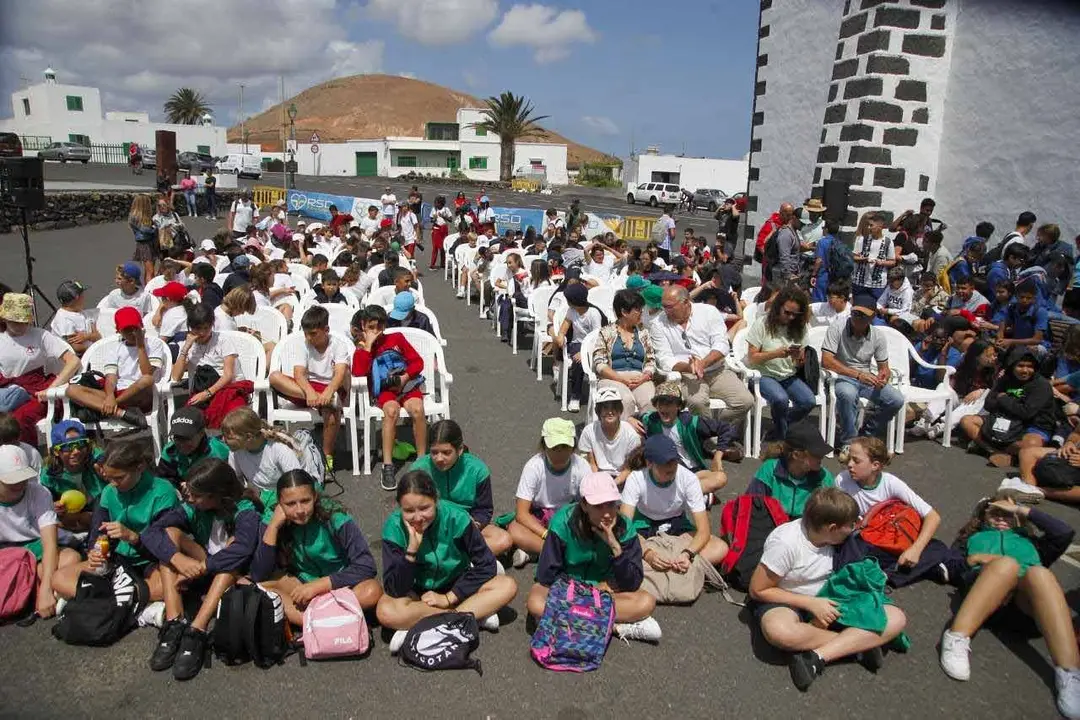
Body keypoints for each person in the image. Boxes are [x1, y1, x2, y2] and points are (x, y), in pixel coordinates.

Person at [749, 487, 907, 691]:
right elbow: (758, 590)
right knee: (779, 631)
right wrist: (811, 603)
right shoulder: (786, 543)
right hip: (789, 599)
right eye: (850, 525)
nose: (854, 527)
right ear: (832, 528)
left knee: (897, 618)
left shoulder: (843, 540)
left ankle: (818, 656)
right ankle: (859, 645)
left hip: (833, 597)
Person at [939, 493, 1080, 719]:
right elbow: (950, 567)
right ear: (983, 515)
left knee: (1040, 573)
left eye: (1008, 513)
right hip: (984, 601)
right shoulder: (971, 538)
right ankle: (957, 636)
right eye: (996, 512)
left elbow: (1064, 532)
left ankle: (1069, 673)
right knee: (1007, 565)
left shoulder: (1033, 542)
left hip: (1026, 609)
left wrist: (1023, 511)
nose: (1002, 517)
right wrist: (973, 560)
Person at [142, 459, 263, 680]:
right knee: (169, 534)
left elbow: (243, 549)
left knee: (232, 548)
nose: (190, 499)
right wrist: (177, 559)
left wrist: (204, 567)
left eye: (197, 496)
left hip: (233, 575)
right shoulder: (193, 507)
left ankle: (197, 629)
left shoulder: (245, 509)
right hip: (204, 565)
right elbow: (150, 533)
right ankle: (174, 621)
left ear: (217, 495)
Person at [377, 470, 518, 654]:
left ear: (436, 500)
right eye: (409, 511)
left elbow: (486, 564)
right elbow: (394, 588)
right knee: (385, 611)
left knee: (507, 585)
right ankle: (468, 616)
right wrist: (411, 552)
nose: (418, 518)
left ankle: (417, 625)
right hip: (416, 592)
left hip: (456, 586)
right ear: (399, 508)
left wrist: (448, 597)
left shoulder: (457, 517)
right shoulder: (393, 527)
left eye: (425, 508)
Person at [51, 440, 180, 623]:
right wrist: (96, 551)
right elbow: (97, 533)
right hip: (117, 562)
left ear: (140, 466)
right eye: (109, 478)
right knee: (59, 578)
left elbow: (167, 545)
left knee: (168, 585)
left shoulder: (162, 491)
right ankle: (138, 609)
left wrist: (134, 538)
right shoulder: (109, 492)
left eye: (119, 478)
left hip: (151, 561)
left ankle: (88, 601)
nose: (113, 484)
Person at [527, 471, 660, 643]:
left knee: (645, 602)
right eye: (598, 506)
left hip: (603, 594)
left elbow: (632, 582)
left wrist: (615, 547)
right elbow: (546, 574)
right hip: (570, 590)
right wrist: (584, 590)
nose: (607, 513)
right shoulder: (562, 522)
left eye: (611, 504)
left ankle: (563, 622)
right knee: (536, 601)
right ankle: (615, 627)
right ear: (584, 505)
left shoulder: (625, 527)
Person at [253, 469, 382, 630]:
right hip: (301, 583)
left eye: (305, 501)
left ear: (314, 497)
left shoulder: (335, 516)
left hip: (341, 585)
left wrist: (318, 586)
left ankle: (313, 623)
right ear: (279, 503)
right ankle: (335, 620)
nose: (299, 510)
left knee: (372, 591)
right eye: (290, 504)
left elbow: (366, 566)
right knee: (261, 587)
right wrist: (273, 527)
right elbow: (259, 574)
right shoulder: (272, 519)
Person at [836, 436, 962, 586]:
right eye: (850, 459)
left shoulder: (890, 483)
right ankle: (922, 569)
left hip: (892, 537)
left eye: (856, 461)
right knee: (852, 547)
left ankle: (885, 574)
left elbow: (932, 516)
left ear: (875, 465)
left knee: (937, 547)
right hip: (865, 539)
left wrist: (915, 550)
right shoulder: (842, 481)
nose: (849, 464)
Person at [619, 435, 729, 567]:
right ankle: (666, 562)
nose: (670, 467)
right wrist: (647, 553)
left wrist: (688, 553)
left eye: (674, 461)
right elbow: (624, 526)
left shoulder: (688, 479)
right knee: (621, 542)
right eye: (664, 463)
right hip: (643, 525)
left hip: (676, 525)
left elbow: (704, 531)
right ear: (649, 463)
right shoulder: (636, 478)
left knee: (720, 548)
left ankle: (670, 562)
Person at [350, 305, 427, 491]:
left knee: (417, 408)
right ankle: (387, 465)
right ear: (363, 326)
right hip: (384, 391)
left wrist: (405, 377)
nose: (376, 331)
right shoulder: (361, 349)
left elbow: (418, 362)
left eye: (379, 326)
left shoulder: (396, 339)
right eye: (371, 327)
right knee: (391, 411)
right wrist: (368, 346)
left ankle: (423, 460)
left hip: (406, 385)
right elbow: (358, 373)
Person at [649, 285, 753, 422]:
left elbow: (722, 344)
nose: (665, 311)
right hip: (686, 375)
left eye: (670, 307)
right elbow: (664, 358)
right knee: (697, 403)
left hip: (717, 370)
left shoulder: (708, 312)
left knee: (745, 401)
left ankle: (713, 428)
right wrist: (689, 367)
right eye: (664, 306)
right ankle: (709, 438)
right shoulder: (658, 323)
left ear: (686, 302)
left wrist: (702, 364)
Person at [409, 420, 512, 558]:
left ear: (460, 449)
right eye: (434, 452)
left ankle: (446, 562)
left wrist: (474, 524)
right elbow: (410, 509)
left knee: (504, 540)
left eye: (446, 452)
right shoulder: (418, 470)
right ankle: (469, 561)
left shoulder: (478, 470)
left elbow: (484, 509)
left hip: (465, 527)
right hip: (430, 526)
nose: (439, 458)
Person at [0, 445, 80, 619]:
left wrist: (45, 589)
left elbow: (49, 543)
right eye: (12, 480)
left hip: (36, 546)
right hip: (7, 553)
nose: (20, 484)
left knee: (71, 559)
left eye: (23, 478)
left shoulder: (38, 492)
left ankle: (34, 590)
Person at [821, 293, 904, 461]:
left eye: (862, 315)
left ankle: (867, 434)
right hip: (842, 375)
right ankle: (849, 442)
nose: (857, 318)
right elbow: (827, 361)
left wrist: (883, 376)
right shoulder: (837, 327)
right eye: (855, 313)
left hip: (866, 377)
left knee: (896, 399)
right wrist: (858, 375)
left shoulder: (878, 336)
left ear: (872, 317)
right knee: (847, 394)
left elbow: (884, 367)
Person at [269, 306, 351, 470]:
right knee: (274, 377)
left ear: (326, 330)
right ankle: (326, 402)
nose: (308, 337)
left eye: (313, 333)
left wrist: (328, 392)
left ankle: (327, 457)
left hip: (331, 386)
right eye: (306, 333)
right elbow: (299, 374)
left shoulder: (339, 345)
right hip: (309, 389)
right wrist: (311, 393)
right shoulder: (304, 344)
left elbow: (340, 374)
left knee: (333, 411)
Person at [65, 307, 167, 430]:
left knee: (147, 379)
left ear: (141, 326)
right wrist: (109, 397)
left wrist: (140, 347)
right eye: (127, 330)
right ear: (118, 330)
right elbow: (111, 377)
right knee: (71, 390)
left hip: (143, 395)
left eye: (134, 328)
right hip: (120, 392)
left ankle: (110, 407)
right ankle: (120, 413)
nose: (132, 333)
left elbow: (147, 372)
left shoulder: (154, 344)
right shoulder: (114, 348)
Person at [506, 418, 590, 563]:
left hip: (569, 516)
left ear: (573, 447)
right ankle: (556, 551)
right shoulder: (534, 467)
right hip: (540, 519)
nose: (559, 453)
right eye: (554, 448)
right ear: (544, 446)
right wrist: (546, 533)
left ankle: (536, 552)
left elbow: (589, 504)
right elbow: (522, 513)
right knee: (514, 528)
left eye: (564, 447)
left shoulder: (582, 466)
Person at [0, 292, 80, 443]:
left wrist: (52, 387)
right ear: (5, 319)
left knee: (18, 420)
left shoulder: (40, 335)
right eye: (16, 321)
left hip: (36, 390)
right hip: (7, 392)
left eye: (25, 321)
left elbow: (73, 361)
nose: (22, 325)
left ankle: (26, 458)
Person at [633, 381, 738, 496]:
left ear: (678, 406)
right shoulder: (651, 419)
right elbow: (636, 417)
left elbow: (726, 428)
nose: (663, 407)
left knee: (720, 478)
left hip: (693, 472)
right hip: (666, 470)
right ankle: (695, 494)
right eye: (660, 403)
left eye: (668, 403)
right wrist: (630, 419)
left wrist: (717, 457)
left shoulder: (691, 422)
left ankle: (679, 493)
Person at [960, 347, 1053, 467]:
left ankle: (1002, 452)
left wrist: (1003, 399)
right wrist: (1008, 403)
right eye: (1020, 366)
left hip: (1031, 424)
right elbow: (988, 404)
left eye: (1030, 366)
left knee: (1032, 444)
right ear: (1012, 365)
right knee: (967, 421)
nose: (1025, 370)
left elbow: (1026, 412)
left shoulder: (1041, 385)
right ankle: (995, 451)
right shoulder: (1005, 379)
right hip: (1004, 419)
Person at [747, 285, 815, 440]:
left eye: (795, 314)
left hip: (788, 374)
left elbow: (799, 362)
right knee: (780, 399)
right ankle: (783, 437)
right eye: (787, 312)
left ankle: (782, 427)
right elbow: (753, 357)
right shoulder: (762, 323)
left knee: (808, 401)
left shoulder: (799, 327)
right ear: (778, 307)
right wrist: (776, 354)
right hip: (763, 373)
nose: (791, 317)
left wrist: (798, 357)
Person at [747, 421, 836, 517]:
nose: (822, 456)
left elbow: (832, 515)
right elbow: (750, 507)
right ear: (796, 455)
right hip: (771, 527)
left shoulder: (824, 478)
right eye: (816, 454)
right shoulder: (769, 470)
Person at [591, 289, 657, 418]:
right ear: (624, 312)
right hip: (612, 377)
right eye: (637, 309)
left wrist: (644, 376)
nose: (641, 313)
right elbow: (599, 364)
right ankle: (625, 435)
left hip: (639, 378)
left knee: (650, 400)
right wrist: (622, 379)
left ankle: (648, 436)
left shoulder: (643, 333)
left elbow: (651, 360)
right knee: (625, 400)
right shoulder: (606, 332)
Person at [39, 420, 104, 531]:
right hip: (71, 514)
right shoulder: (49, 474)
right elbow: (44, 506)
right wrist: (53, 506)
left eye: (81, 444)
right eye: (68, 447)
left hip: (99, 507)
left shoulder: (98, 460)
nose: (76, 451)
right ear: (56, 451)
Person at [553, 283, 606, 413]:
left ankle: (601, 391)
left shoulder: (593, 313)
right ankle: (575, 395)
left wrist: (585, 353)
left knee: (581, 359)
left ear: (574, 301)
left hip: (593, 345)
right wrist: (560, 335)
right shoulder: (572, 311)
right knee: (577, 362)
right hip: (577, 343)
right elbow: (565, 324)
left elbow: (597, 337)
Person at [576, 387, 641, 485]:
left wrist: (614, 483)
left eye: (614, 408)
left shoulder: (631, 434)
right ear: (599, 412)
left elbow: (628, 468)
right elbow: (592, 464)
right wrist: (599, 482)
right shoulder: (589, 431)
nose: (610, 412)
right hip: (598, 474)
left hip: (622, 476)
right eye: (605, 408)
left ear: (620, 411)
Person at [156, 407, 230, 490]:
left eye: (187, 438)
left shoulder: (219, 451)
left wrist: (193, 487)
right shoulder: (170, 451)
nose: (181, 443)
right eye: (177, 437)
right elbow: (165, 479)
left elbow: (226, 483)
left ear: (201, 433)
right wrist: (179, 487)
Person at [851, 211, 898, 301]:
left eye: (871, 225)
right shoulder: (861, 239)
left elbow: (892, 261)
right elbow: (854, 256)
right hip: (860, 282)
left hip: (878, 284)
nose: (869, 228)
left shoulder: (888, 242)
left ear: (880, 226)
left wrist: (882, 262)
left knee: (876, 307)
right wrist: (863, 259)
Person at [997, 278, 1048, 354]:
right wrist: (1000, 339)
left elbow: (1037, 340)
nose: (1024, 300)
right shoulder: (1012, 308)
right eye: (1022, 297)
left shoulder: (1040, 312)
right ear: (1016, 296)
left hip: (1036, 346)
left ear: (1034, 298)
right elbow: (1002, 325)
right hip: (1017, 344)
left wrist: (1011, 342)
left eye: (1028, 298)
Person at [50, 280, 99, 356]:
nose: (84, 297)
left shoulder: (80, 312)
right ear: (77, 298)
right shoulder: (64, 320)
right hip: (78, 359)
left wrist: (87, 336)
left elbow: (97, 335)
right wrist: (96, 348)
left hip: (90, 352)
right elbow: (77, 348)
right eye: (82, 295)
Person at [129, 194, 159, 282]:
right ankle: (149, 291)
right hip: (144, 244)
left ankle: (147, 287)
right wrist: (155, 228)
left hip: (149, 243)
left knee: (149, 269)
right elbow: (145, 230)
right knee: (150, 270)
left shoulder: (140, 216)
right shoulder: (136, 216)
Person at [811, 219, 840, 302]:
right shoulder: (839, 242)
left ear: (826, 229)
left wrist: (813, 274)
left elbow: (819, 260)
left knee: (819, 301)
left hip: (823, 275)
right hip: (834, 277)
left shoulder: (822, 242)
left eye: (823, 228)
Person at [429, 195, 453, 270]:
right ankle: (432, 265)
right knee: (435, 247)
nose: (435, 204)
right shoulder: (434, 209)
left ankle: (443, 264)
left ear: (441, 203)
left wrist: (443, 216)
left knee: (443, 247)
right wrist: (434, 218)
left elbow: (450, 219)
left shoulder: (446, 209)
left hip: (444, 229)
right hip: (436, 229)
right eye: (435, 203)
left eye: (437, 203)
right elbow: (431, 220)